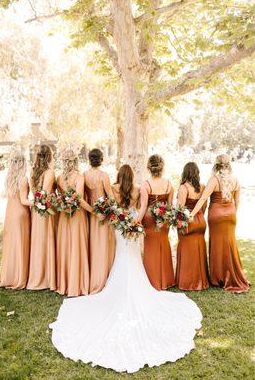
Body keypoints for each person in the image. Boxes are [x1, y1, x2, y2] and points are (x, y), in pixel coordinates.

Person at [50, 164, 202, 373]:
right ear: (132, 176)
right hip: (132, 223)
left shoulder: (113, 188)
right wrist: (134, 221)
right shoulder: (138, 188)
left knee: (121, 254)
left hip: (119, 226)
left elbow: (112, 206)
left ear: (119, 176)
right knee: (132, 256)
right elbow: (140, 207)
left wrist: (120, 218)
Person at [191, 154, 249, 293]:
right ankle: (233, 275)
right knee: (230, 244)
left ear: (216, 164)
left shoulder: (214, 180)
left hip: (216, 216)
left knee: (217, 245)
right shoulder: (235, 180)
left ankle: (218, 278)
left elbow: (203, 198)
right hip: (231, 215)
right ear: (229, 164)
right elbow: (237, 201)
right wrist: (232, 213)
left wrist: (191, 214)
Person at [56, 149, 91, 297]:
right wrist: (93, 211)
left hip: (64, 215)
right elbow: (79, 199)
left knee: (66, 246)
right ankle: (78, 283)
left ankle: (65, 283)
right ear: (75, 161)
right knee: (77, 246)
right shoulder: (80, 177)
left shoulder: (59, 178)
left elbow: (60, 197)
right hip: (77, 216)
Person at [138, 154, 175, 290]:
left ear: (149, 167)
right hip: (164, 217)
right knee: (164, 245)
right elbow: (170, 207)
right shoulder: (169, 184)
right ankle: (166, 279)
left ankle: (151, 279)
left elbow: (143, 206)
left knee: (150, 247)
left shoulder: (145, 184)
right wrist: (165, 218)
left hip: (148, 218)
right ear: (161, 167)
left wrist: (136, 222)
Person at [0, 151, 31, 289]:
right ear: (23, 162)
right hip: (20, 215)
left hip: (10, 214)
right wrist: (40, 202)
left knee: (11, 246)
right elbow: (24, 201)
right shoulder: (23, 179)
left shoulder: (9, 178)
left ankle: (8, 276)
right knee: (20, 245)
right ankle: (19, 277)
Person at [84, 148, 115, 294]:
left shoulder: (84, 175)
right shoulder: (104, 176)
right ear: (101, 159)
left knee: (92, 244)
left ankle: (92, 277)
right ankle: (104, 277)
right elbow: (111, 197)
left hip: (90, 213)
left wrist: (93, 210)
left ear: (89, 159)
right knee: (103, 245)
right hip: (103, 214)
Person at [27, 145, 56, 291]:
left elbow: (35, 192)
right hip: (46, 211)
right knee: (45, 241)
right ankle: (45, 278)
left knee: (38, 241)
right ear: (49, 156)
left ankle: (37, 275)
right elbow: (44, 194)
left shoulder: (33, 172)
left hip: (36, 210)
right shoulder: (49, 172)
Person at [175, 162, 209, 291]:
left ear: (185, 173)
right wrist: (199, 217)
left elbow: (180, 208)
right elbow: (203, 206)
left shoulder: (184, 188)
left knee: (185, 249)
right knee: (198, 248)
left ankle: (187, 281)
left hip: (187, 220)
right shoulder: (203, 187)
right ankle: (201, 281)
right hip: (200, 220)